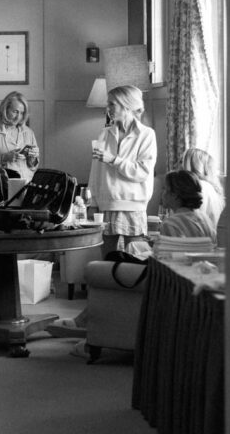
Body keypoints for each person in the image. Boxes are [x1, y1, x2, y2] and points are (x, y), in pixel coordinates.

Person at [56, 84, 156, 334]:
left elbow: (142, 172)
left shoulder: (147, 135)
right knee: (106, 266)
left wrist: (114, 160)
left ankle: (135, 319)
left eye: (112, 104)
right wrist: (91, 201)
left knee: (137, 263)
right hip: (106, 204)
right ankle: (97, 319)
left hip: (133, 206)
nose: (108, 108)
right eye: (108, 104)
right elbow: (96, 172)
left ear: (128, 107)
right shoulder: (105, 134)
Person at [0, 91, 40, 182]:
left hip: (27, 185)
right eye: (15, 112)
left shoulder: (29, 133)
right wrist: (4, 158)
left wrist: (32, 158)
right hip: (3, 187)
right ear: (5, 109)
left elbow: (32, 167)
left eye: (22, 113)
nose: (18, 117)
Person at [160, 168, 217, 240]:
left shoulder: (170, 225)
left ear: (175, 195)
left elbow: (170, 251)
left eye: (165, 189)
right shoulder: (206, 220)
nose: (162, 193)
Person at [180, 147, 225, 234]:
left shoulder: (199, 187)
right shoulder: (211, 188)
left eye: (182, 162)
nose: (178, 166)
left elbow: (193, 222)